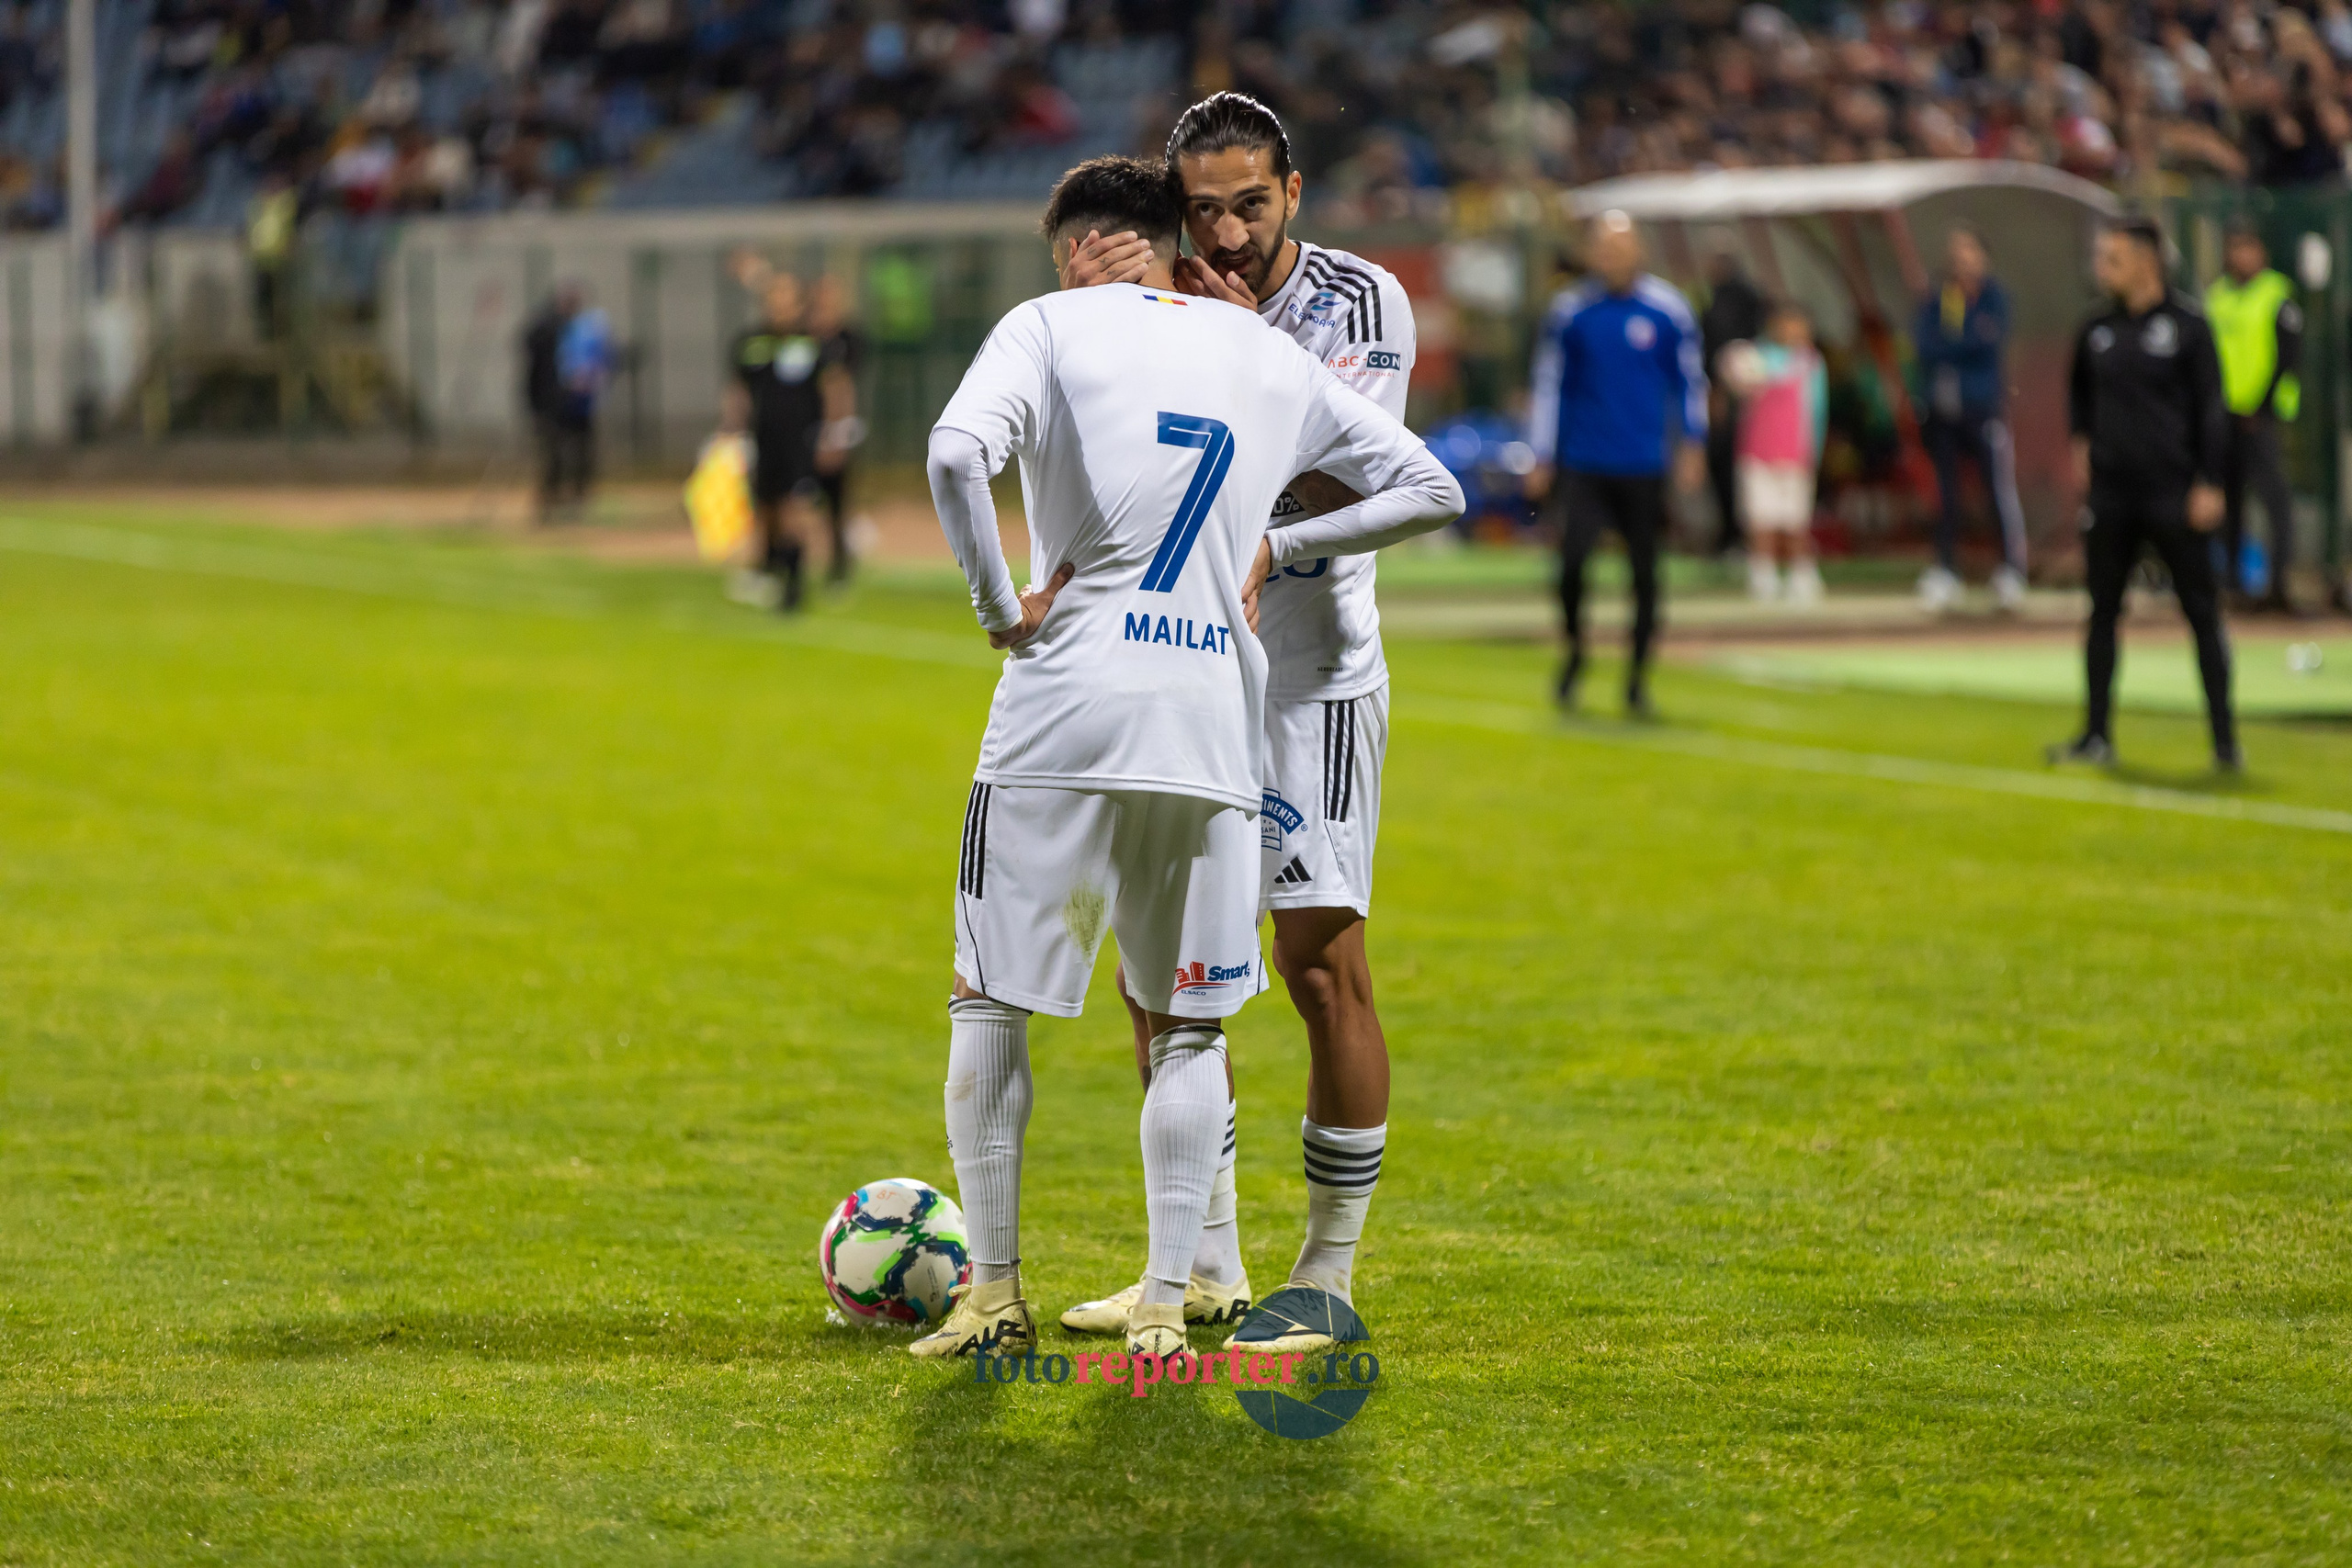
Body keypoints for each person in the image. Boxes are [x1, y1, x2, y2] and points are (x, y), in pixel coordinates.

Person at [907, 155, 1462, 1363]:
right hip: (1216, 705)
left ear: (1081, 250)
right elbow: (1430, 483)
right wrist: (1279, 541)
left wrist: (1000, 607)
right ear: (1169, 239)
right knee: (1195, 1023)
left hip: (1061, 709)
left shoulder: (1047, 323)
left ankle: (992, 1292)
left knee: (989, 993)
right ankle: (1170, 1299)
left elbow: (956, 457)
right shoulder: (1263, 348)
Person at [1055, 91, 1422, 1352]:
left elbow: (1362, 468)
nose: (1224, 230)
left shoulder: (1357, 304)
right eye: (1201, 208)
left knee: (1322, 967)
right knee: (1157, 979)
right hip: (1189, 671)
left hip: (1311, 682)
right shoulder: (1159, 303)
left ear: (1294, 194)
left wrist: (1247, 347)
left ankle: (1326, 1271)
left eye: (1249, 205)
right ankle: (1203, 1260)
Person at [2051, 217, 2239, 773]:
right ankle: (2095, 735)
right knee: (2102, 611)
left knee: (2202, 614)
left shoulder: (2188, 327)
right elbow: (2078, 396)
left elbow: (2212, 408)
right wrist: (2081, 448)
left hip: (2174, 493)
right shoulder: (2097, 329)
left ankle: (2225, 743)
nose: (2102, 268)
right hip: (2112, 496)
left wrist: (2210, 481)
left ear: (2146, 261)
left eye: (2114, 258)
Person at [1525, 211, 1707, 716]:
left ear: (1639, 250)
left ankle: (1637, 678)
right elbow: (1549, 383)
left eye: (1621, 247)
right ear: (1591, 254)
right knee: (1573, 566)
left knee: (1647, 575)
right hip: (1585, 461)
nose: (1612, 257)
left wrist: (1693, 444)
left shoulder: (1669, 309)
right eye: (1604, 248)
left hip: (1644, 463)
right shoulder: (1571, 311)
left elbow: (1689, 381)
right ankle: (1576, 652)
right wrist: (1540, 453)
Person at [1914, 225, 2029, 612]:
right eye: (1956, 251)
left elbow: (1986, 341)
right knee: (1946, 493)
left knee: (1995, 486)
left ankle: (2010, 569)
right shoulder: (1940, 298)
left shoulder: (1994, 297)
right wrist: (1961, 342)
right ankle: (1946, 570)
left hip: (1983, 407)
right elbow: (1927, 345)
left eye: (1970, 251)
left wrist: (1956, 343)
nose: (1962, 259)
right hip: (1944, 409)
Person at [2204, 220, 2303, 612]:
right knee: (2229, 502)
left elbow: (2288, 357)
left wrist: (2260, 407)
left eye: (2249, 247)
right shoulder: (2218, 297)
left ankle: (2279, 584)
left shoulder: (2277, 294)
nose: (2242, 256)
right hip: (2224, 415)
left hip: (2262, 418)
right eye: (2236, 247)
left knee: (2275, 499)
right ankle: (2232, 585)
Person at [723, 274, 825, 611]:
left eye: (787, 298)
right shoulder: (751, 343)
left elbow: (832, 387)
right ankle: (770, 570)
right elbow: (738, 392)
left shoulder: (811, 344)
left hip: (801, 442)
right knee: (765, 510)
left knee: (794, 508)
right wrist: (733, 433)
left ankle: (794, 586)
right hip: (762, 441)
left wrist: (835, 432)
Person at [1733, 303, 1828, 604]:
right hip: (1758, 453)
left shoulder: (1811, 363)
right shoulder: (1753, 358)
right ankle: (1764, 575)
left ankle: (1802, 574)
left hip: (1795, 454)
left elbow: (1817, 410)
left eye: (1800, 326)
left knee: (1795, 520)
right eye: (1787, 325)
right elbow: (1738, 382)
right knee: (1761, 518)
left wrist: (1814, 450)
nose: (1794, 332)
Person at [1700, 250, 1767, 558]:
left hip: (1745, 401)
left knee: (1739, 469)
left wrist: (1721, 390)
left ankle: (1741, 535)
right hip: (1723, 395)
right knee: (1724, 466)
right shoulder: (1713, 299)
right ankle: (1731, 534)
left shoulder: (1741, 302)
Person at [808, 274, 866, 586]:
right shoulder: (805, 339)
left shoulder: (846, 340)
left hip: (831, 433)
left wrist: (837, 433)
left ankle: (839, 565)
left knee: (836, 501)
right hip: (803, 430)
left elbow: (841, 387)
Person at [521, 284, 582, 523]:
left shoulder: (564, 330)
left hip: (557, 403)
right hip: (547, 404)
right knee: (552, 454)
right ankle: (548, 502)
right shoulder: (550, 329)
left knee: (560, 454)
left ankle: (555, 500)